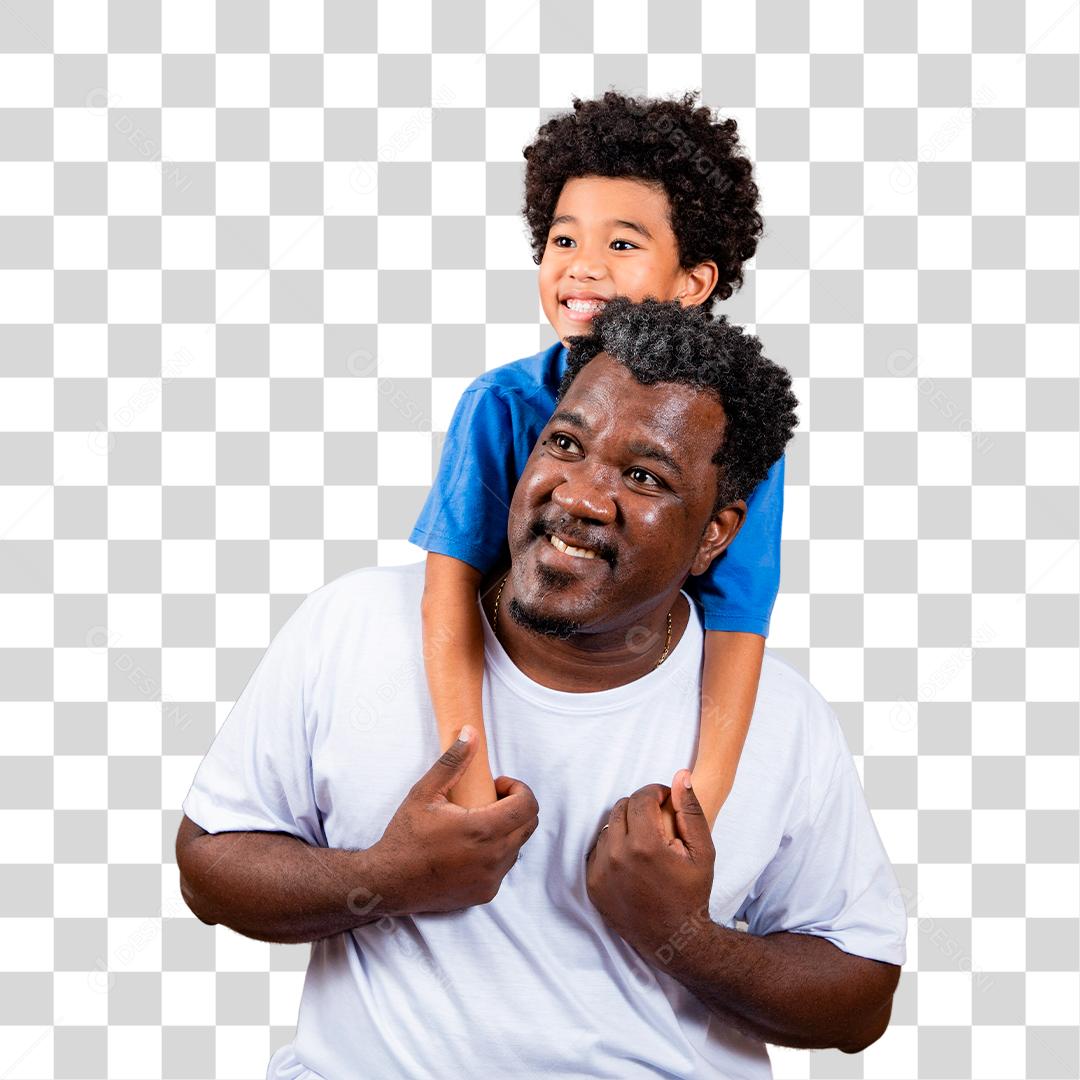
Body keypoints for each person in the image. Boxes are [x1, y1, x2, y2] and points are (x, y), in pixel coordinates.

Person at [177, 298, 906, 1079]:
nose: (581, 496)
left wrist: (682, 934)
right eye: (565, 443)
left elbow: (859, 1002)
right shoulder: (355, 623)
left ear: (717, 534)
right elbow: (208, 864)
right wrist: (385, 878)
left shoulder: (780, 719)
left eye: (642, 475)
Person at [410, 90, 783, 834]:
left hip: (628, 715)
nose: (581, 269)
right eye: (563, 241)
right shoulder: (501, 404)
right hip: (510, 700)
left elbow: (737, 622)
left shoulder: (731, 438)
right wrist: (469, 780)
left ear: (693, 282)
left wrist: (697, 805)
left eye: (621, 245)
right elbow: (448, 594)